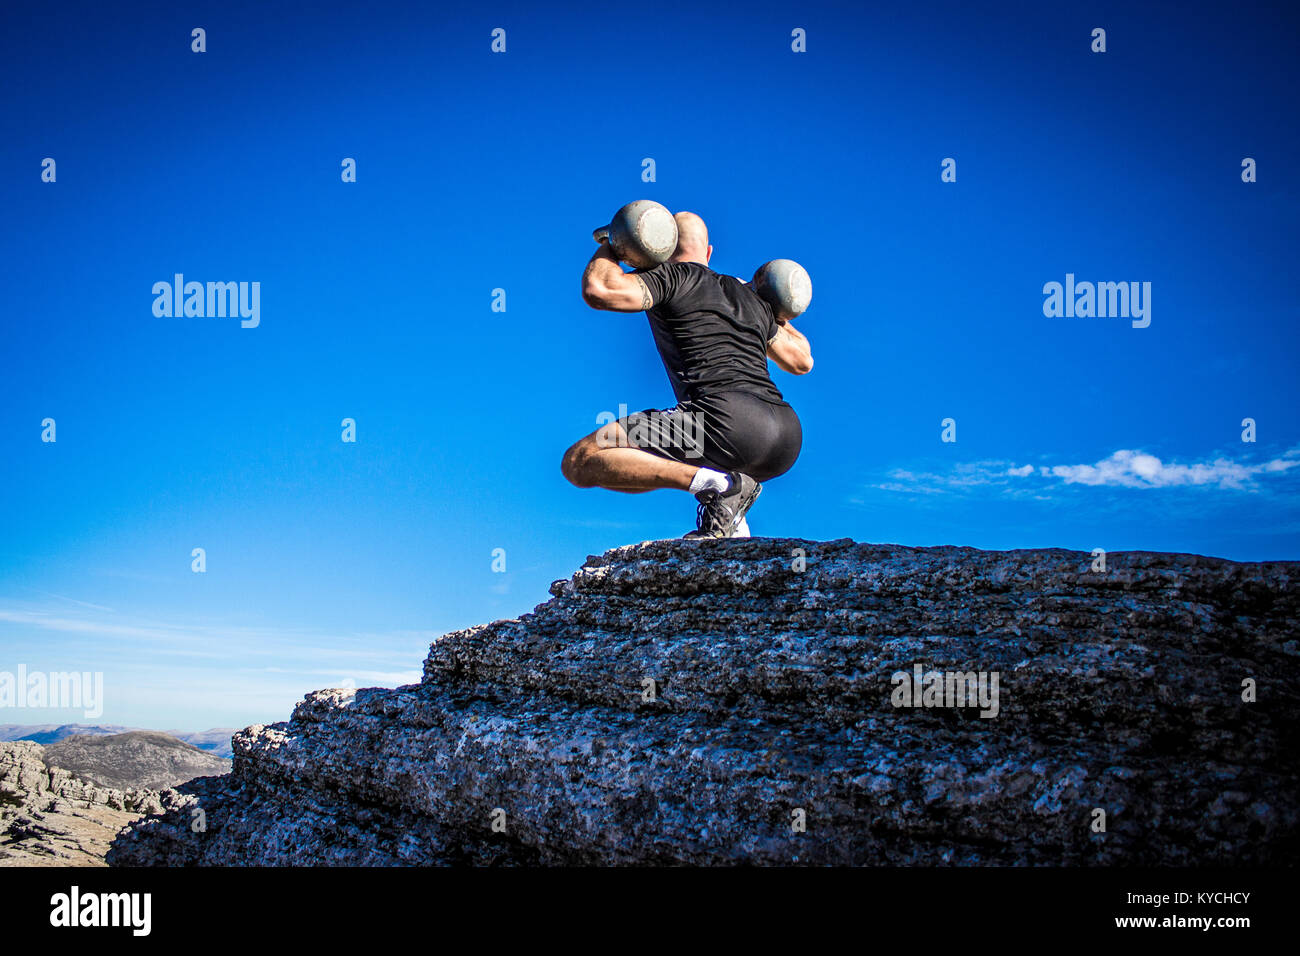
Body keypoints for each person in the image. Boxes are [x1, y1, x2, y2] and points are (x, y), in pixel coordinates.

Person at [563, 211, 813, 538]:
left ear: (660, 248)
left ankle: (716, 486)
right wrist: (766, 299)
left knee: (582, 460)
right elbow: (801, 361)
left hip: (724, 422)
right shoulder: (750, 298)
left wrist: (613, 243)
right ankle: (729, 519)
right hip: (786, 438)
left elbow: (600, 290)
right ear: (709, 252)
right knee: (706, 448)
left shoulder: (670, 275)